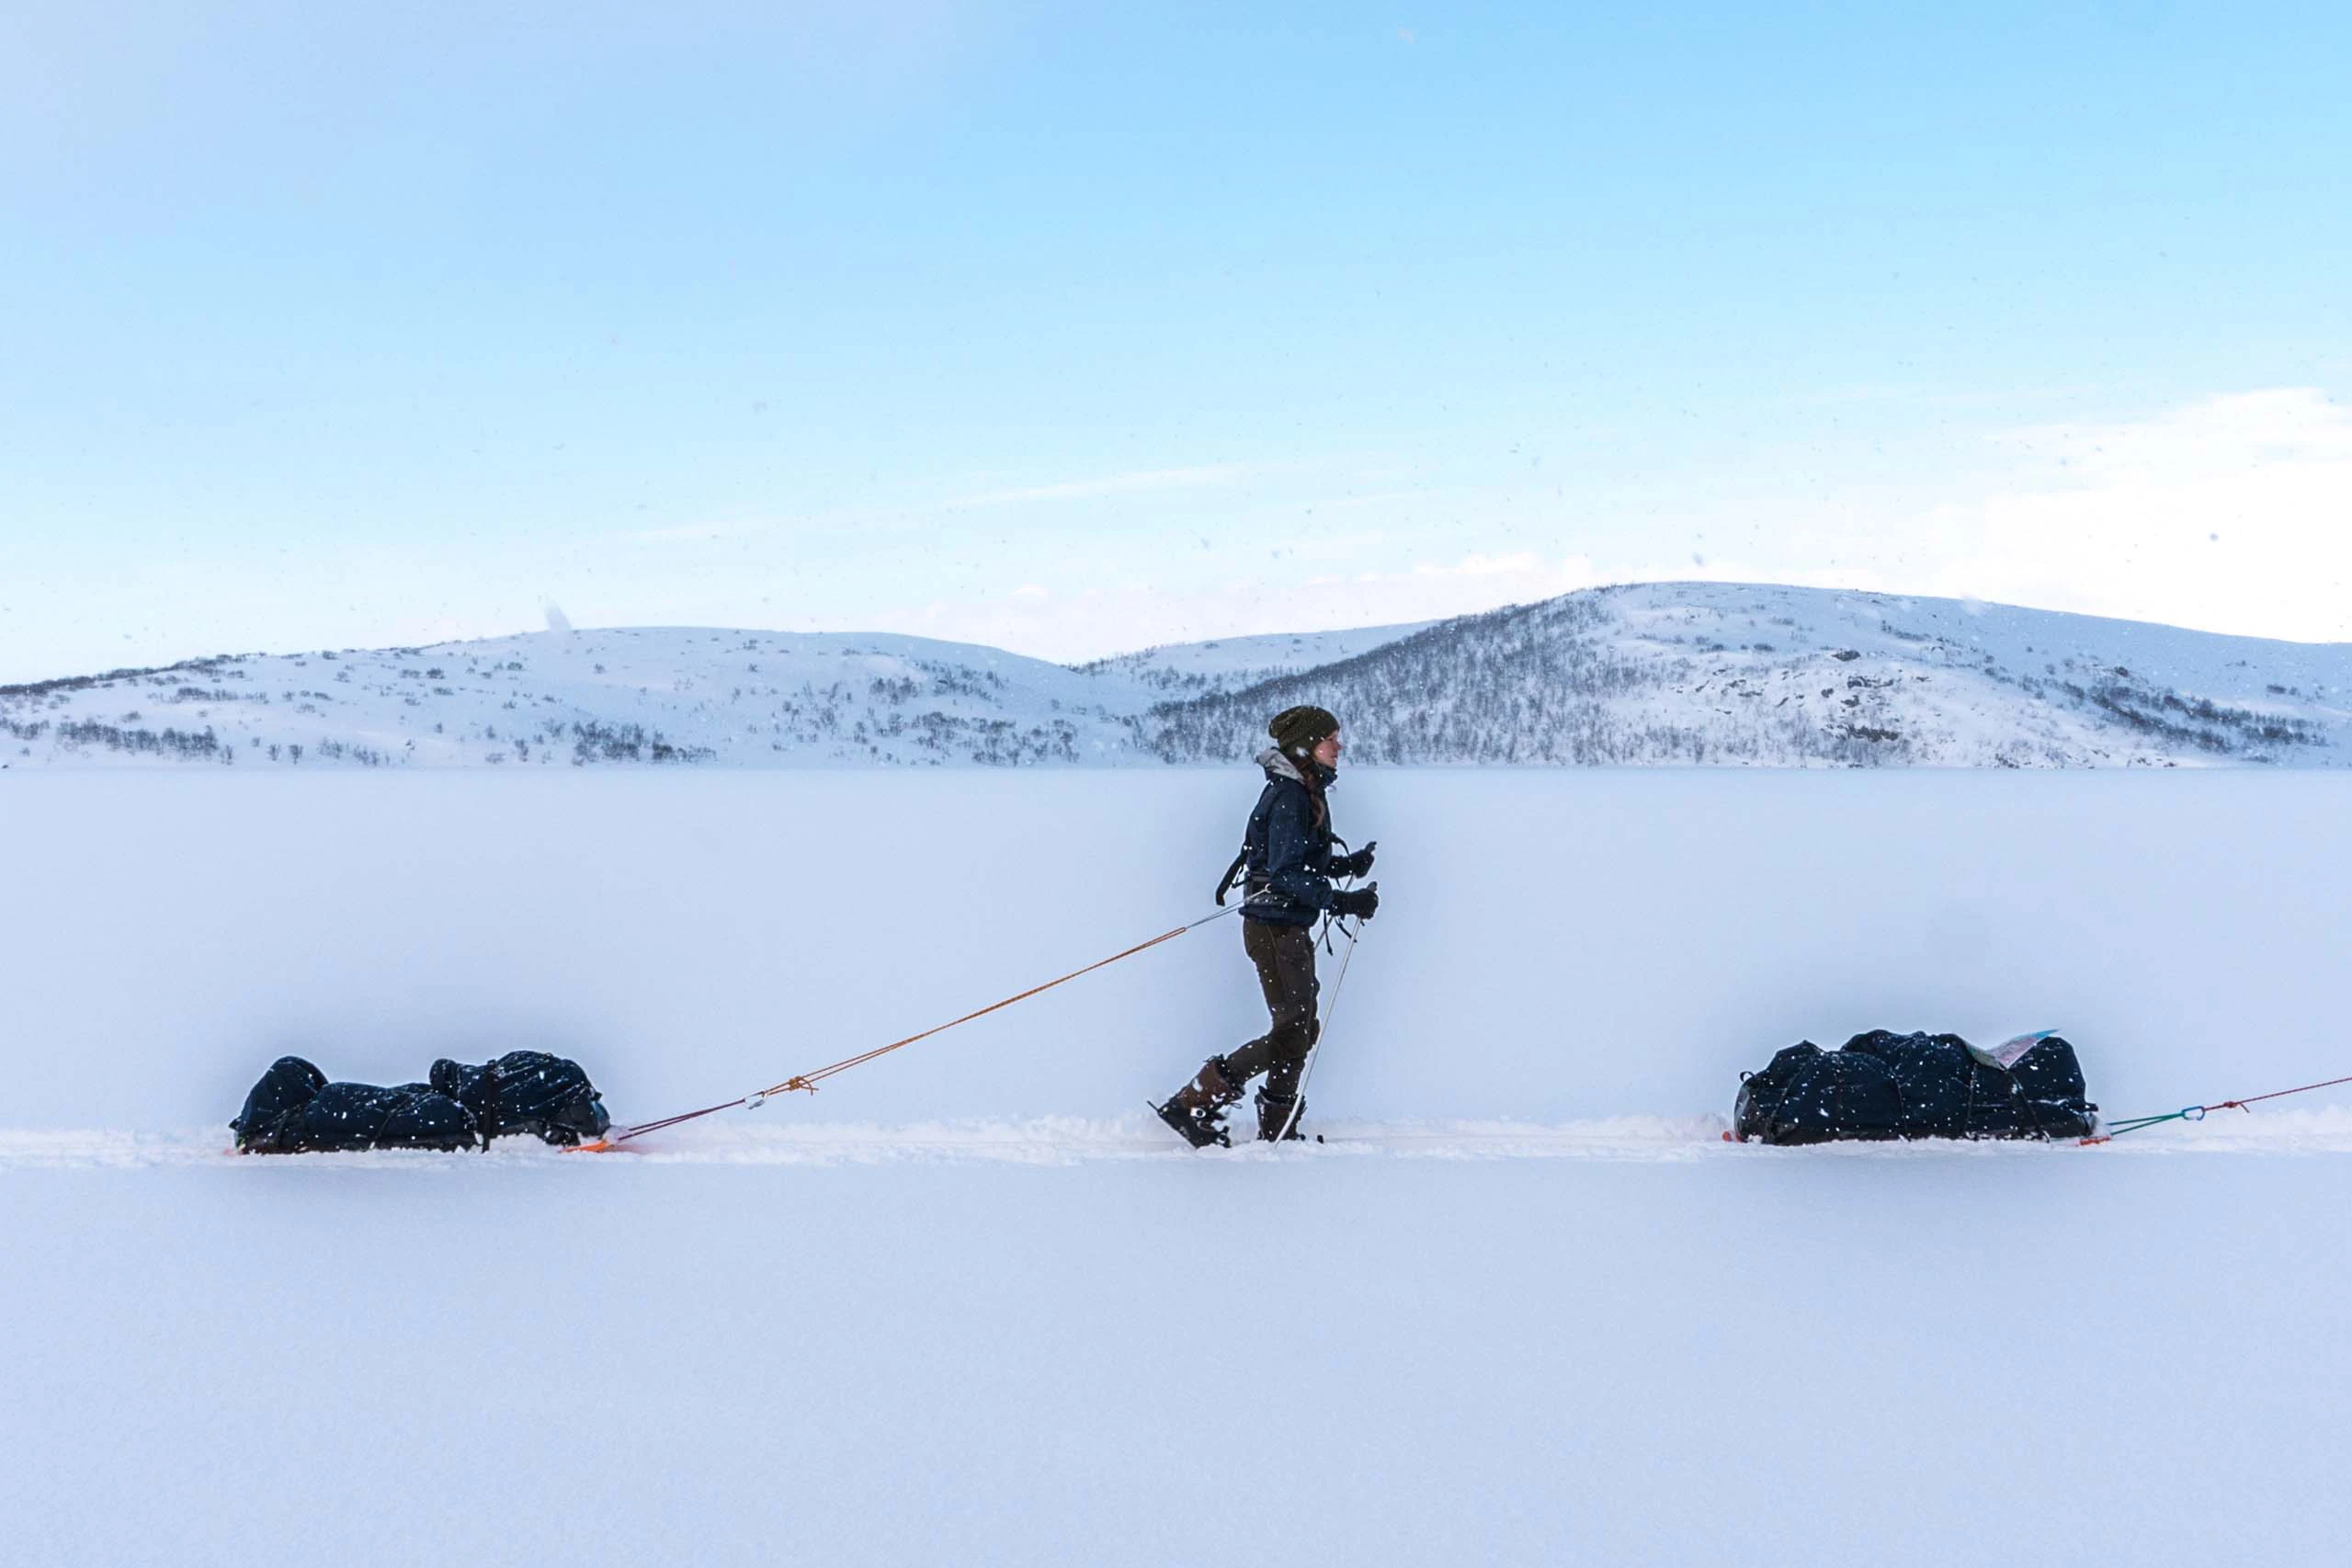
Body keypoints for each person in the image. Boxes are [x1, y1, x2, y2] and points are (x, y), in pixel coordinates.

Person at [1154, 704, 1380, 1147]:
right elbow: (1285, 874)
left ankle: (1276, 1123)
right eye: (1330, 739)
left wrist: (1343, 865)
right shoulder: (1290, 797)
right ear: (1305, 747)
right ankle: (1189, 1104)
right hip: (1275, 931)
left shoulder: (1302, 790)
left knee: (1299, 1027)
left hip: (1284, 928)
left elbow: (1294, 862)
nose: (1339, 746)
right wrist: (1343, 900)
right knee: (1294, 1031)